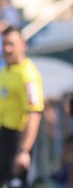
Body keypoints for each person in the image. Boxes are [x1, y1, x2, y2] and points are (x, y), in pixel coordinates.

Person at [0, 26, 44, 187]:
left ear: (23, 45)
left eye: (11, 44)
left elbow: (35, 113)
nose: (7, 49)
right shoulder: (5, 70)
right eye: (4, 44)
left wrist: (23, 151)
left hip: (17, 139)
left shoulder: (28, 75)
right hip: (4, 136)